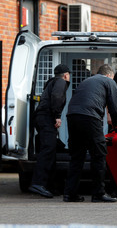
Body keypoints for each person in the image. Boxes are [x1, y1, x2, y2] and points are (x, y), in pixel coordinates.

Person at [63, 64, 117, 203]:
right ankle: (98, 194)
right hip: (89, 117)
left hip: (72, 116)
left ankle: (70, 194)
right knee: (99, 154)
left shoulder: (87, 81)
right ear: (109, 75)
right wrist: (116, 123)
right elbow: (115, 105)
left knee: (77, 156)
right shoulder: (109, 81)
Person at [28, 64, 71, 198]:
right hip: (46, 117)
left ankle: (51, 185)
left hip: (41, 117)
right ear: (65, 75)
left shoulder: (51, 82)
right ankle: (38, 183)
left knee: (50, 149)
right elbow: (57, 97)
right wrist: (57, 116)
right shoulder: (60, 82)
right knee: (48, 149)